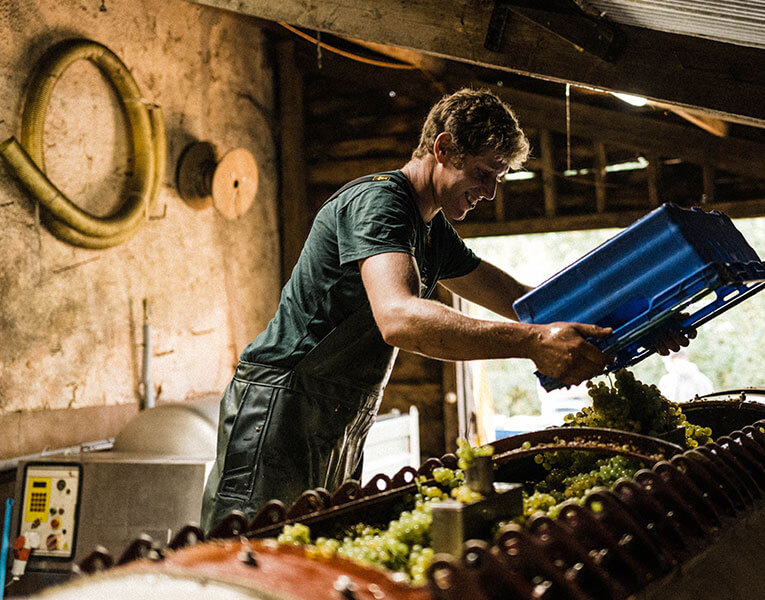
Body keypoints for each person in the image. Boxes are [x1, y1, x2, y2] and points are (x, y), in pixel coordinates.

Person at [201, 88, 693, 528]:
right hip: (281, 405)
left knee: (304, 559)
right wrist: (532, 345)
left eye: (498, 177)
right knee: (242, 561)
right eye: (483, 173)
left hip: (336, 413)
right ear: (442, 148)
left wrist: (638, 322)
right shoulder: (379, 203)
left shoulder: (433, 233)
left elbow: (528, 306)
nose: (490, 191)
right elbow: (399, 318)